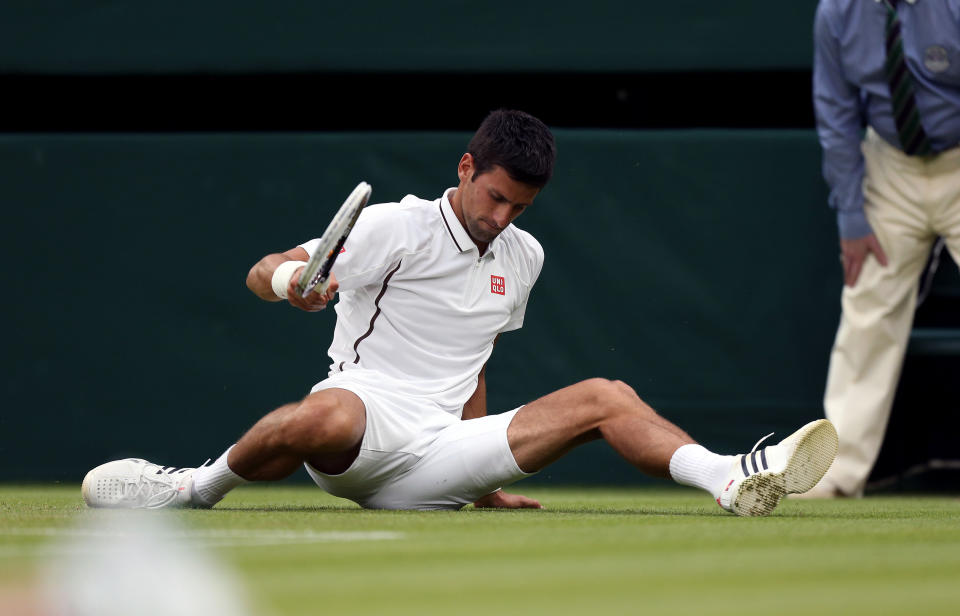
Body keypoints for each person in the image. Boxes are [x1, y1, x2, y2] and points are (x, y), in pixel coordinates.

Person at [82, 109, 838, 516]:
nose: (503, 217)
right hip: (363, 421)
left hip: (439, 452)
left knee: (605, 397)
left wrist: (480, 474)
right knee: (326, 418)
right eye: (496, 197)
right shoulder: (395, 226)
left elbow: (477, 358)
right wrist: (290, 286)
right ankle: (190, 487)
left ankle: (733, 478)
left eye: (522, 206)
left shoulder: (525, 257)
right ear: (466, 167)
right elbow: (262, 270)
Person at [811, 0, 960, 497]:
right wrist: (852, 214)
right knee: (867, 312)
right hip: (890, 165)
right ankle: (835, 473)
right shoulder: (837, 12)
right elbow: (835, 112)